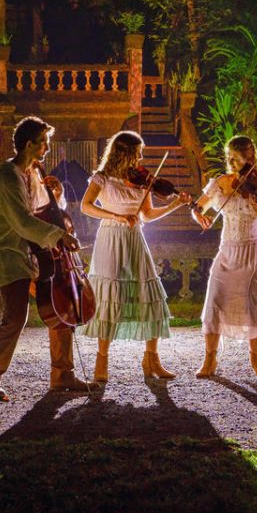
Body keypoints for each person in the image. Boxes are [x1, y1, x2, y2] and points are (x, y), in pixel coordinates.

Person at [0, 116, 89, 402]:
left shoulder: (32, 173)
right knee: (16, 316)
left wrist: (58, 195)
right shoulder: (8, 176)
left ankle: (62, 375)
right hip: (10, 253)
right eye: (44, 143)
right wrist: (60, 237)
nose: (47, 149)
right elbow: (23, 223)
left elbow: (47, 211)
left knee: (62, 306)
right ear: (29, 144)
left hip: (37, 253)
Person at [77, 130, 191, 381]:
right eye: (137, 153)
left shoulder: (142, 181)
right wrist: (117, 216)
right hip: (110, 237)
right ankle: (102, 360)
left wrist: (175, 204)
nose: (140, 158)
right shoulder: (102, 178)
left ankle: (152, 358)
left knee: (149, 295)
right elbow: (86, 207)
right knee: (109, 297)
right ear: (124, 153)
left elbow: (147, 215)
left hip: (135, 237)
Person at [192, 135, 257, 378]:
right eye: (230, 158)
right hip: (229, 248)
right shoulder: (221, 182)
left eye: (237, 159)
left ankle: (256, 359)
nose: (232, 163)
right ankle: (209, 360)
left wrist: (255, 203)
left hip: (256, 247)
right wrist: (200, 216)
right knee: (214, 300)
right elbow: (198, 206)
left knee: (254, 305)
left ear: (249, 158)